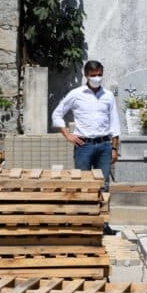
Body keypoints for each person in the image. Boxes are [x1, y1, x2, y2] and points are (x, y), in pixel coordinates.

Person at [52, 60, 121, 234]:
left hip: (104, 145)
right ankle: (83, 222)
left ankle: (103, 223)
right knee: (83, 183)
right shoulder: (76, 94)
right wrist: (68, 134)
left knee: (103, 185)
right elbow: (58, 113)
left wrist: (114, 148)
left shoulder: (108, 96)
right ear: (86, 75)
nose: (97, 78)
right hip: (84, 145)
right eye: (93, 75)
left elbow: (115, 123)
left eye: (99, 74)